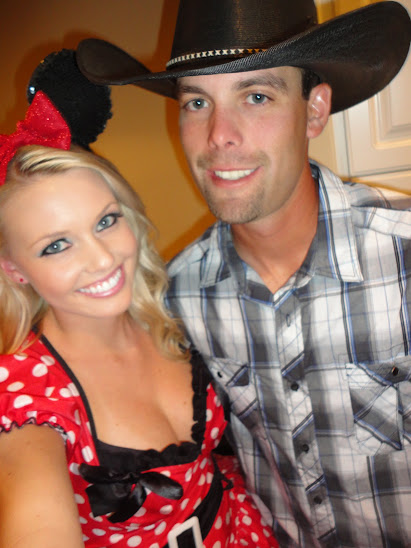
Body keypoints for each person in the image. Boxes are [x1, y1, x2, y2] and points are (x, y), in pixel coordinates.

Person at [76, 1, 411, 546]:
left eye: (256, 96)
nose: (219, 135)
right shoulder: (177, 300)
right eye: (197, 102)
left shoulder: (402, 255)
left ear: (314, 111)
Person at [0, 90, 279, 548]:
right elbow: (36, 520)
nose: (103, 259)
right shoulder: (26, 398)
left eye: (105, 221)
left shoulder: (171, 310)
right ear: (14, 269)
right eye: (56, 246)